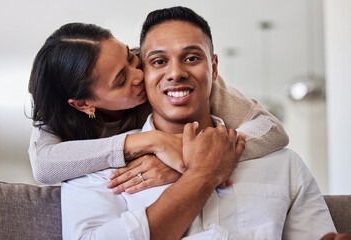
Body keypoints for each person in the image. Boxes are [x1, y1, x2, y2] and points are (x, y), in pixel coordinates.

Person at [61, 6, 335, 239]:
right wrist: (202, 172)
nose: (176, 73)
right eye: (158, 61)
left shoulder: (284, 165)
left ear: (214, 68)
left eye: (192, 58)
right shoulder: (98, 172)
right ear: (143, 73)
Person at [28, 22, 288, 192]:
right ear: (84, 104)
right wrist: (150, 142)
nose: (139, 75)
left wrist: (190, 162)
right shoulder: (57, 113)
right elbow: (43, 165)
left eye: (131, 58)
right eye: (121, 80)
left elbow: (271, 129)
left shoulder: (166, 72)